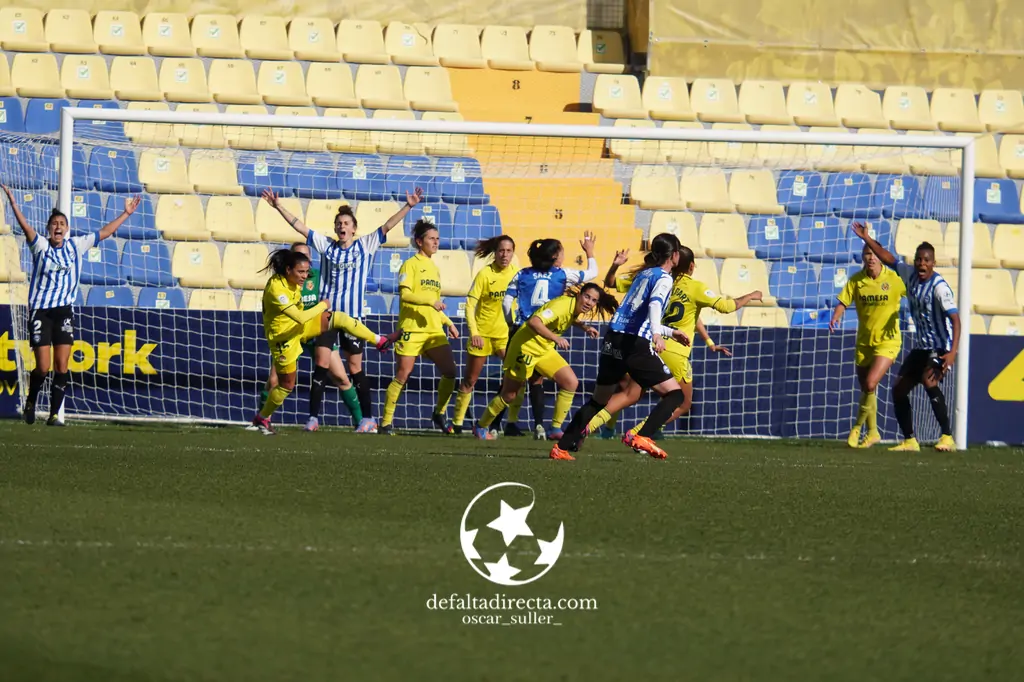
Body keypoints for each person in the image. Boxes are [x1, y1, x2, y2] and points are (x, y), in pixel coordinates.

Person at [260, 187, 422, 433]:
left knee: (355, 369)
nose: (341, 226)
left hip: (353, 318)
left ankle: (368, 419)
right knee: (321, 363)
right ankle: (313, 418)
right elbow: (300, 227)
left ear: (354, 229)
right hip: (326, 317)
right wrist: (278, 206)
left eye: (346, 223)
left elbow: (387, 226)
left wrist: (408, 206)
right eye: (338, 223)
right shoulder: (326, 246)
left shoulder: (365, 245)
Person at [585, 245, 759, 439]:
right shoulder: (695, 288)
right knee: (683, 402)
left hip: (648, 344)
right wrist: (751, 296)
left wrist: (709, 341)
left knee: (629, 394)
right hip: (675, 351)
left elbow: (693, 317)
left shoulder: (655, 276)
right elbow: (726, 307)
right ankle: (638, 433)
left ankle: (589, 426)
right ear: (691, 266)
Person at [549, 233, 693, 461]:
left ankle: (562, 447)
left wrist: (670, 331)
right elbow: (655, 305)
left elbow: (636, 313)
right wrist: (657, 333)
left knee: (598, 401)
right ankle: (643, 436)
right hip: (634, 343)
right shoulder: (664, 278)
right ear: (674, 255)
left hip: (613, 338)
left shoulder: (643, 274)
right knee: (676, 395)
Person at [4, 185, 140, 425]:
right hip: (41, 313)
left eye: (62, 224)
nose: (58, 227)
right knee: (43, 367)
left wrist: (126, 214)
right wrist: (14, 204)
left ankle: (55, 414)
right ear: (49, 228)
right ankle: (31, 400)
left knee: (62, 365)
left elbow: (104, 233)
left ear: (66, 229)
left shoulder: (76, 246)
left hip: (64, 312)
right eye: (54, 223)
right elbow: (26, 228)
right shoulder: (41, 247)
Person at [250, 249, 393, 436]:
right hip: (284, 338)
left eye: (307, 271)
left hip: (300, 327)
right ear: (288, 270)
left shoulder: (295, 282)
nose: (305, 276)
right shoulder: (277, 289)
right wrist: (323, 305)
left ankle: (378, 340)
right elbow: (300, 317)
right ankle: (263, 417)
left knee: (339, 318)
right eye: (301, 272)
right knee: (286, 384)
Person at [852, 221, 959, 452]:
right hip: (921, 347)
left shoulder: (939, 287)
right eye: (919, 259)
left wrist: (952, 352)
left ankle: (947, 436)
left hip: (940, 346)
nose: (922, 263)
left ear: (933, 263)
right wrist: (866, 239)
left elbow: (955, 320)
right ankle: (910, 440)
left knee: (929, 381)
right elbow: (888, 258)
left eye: (926, 260)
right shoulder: (909, 275)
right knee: (899, 389)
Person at [472, 283, 616, 441]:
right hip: (524, 348)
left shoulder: (573, 308)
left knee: (570, 382)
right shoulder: (562, 305)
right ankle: (480, 426)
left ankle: (555, 429)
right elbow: (534, 322)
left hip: (543, 349)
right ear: (579, 294)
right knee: (509, 395)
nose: (589, 302)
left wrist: (585, 327)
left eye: (594, 300)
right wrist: (556, 338)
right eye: (587, 296)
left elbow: (569, 318)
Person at [501, 233, 599, 439]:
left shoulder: (522, 274)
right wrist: (589, 251)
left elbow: (506, 303)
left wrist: (511, 325)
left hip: (521, 331)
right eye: (562, 251)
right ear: (555, 256)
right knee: (535, 382)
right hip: (543, 335)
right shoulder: (562, 274)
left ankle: (506, 423)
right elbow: (593, 273)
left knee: (514, 383)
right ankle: (540, 426)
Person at [258, 242, 363, 429]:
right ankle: (262, 419)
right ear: (290, 264)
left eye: (306, 258)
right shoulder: (280, 284)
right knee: (276, 381)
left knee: (341, 377)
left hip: (314, 328)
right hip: (290, 332)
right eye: (299, 257)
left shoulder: (318, 277)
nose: (304, 269)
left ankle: (361, 421)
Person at [379, 220, 460, 435]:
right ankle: (385, 422)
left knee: (450, 372)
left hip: (433, 329)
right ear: (419, 241)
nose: (436, 242)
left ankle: (439, 412)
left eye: (437, 238)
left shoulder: (434, 268)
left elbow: (435, 304)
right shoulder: (410, 264)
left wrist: (449, 322)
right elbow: (405, 295)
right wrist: (430, 301)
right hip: (412, 328)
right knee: (403, 374)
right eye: (431, 238)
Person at [829, 242, 907, 448]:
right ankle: (873, 432)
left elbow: (915, 292)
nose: (871, 258)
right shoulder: (856, 281)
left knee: (871, 383)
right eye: (867, 254)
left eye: (874, 254)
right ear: (862, 257)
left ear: (880, 257)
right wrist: (836, 316)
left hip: (888, 340)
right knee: (866, 388)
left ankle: (856, 428)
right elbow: (843, 302)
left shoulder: (894, 279)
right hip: (864, 341)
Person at [451, 235, 519, 435]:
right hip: (482, 334)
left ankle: (505, 423)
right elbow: (470, 305)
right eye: (501, 251)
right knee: (470, 380)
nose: (504, 255)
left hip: (504, 336)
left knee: (517, 377)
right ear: (495, 253)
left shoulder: (517, 275)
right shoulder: (485, 274)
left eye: (508, 251)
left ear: (513, 253)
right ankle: (457, 423)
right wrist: (474, 333)